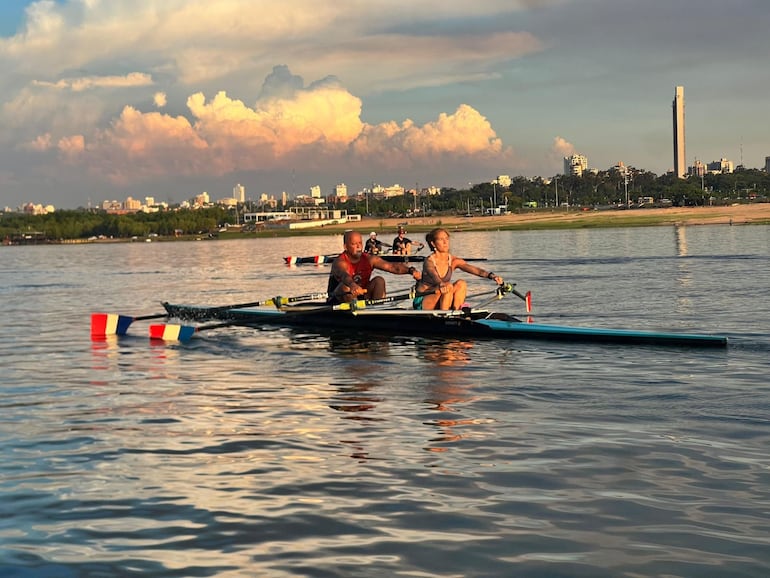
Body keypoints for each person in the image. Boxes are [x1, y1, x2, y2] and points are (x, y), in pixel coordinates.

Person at [414, 227, 503, 311]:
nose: (445, 242)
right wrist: (441, 283)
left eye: (447, 239)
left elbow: (476, 270)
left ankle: (456, 313)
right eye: (441, 239)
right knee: (448, 286)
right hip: (423, 299)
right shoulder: (429, 261)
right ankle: (445, 318)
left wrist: (492, 276)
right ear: (433, 243)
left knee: (461, 283)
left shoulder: (453, 260)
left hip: (442, 295)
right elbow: (433, 275)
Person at [327, 230, 421, 304]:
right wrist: (352, 285)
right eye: (354, 244)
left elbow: (392, 267)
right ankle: (355, 312)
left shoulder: (369, 259)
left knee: (379, 280)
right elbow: (344, 276)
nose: (359, 246)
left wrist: (411, 270)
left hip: (362, 295)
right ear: (345, 247)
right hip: (338, 299)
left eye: (360, 243)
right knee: (345, 287)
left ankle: (378, 309)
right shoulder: (339, 262)